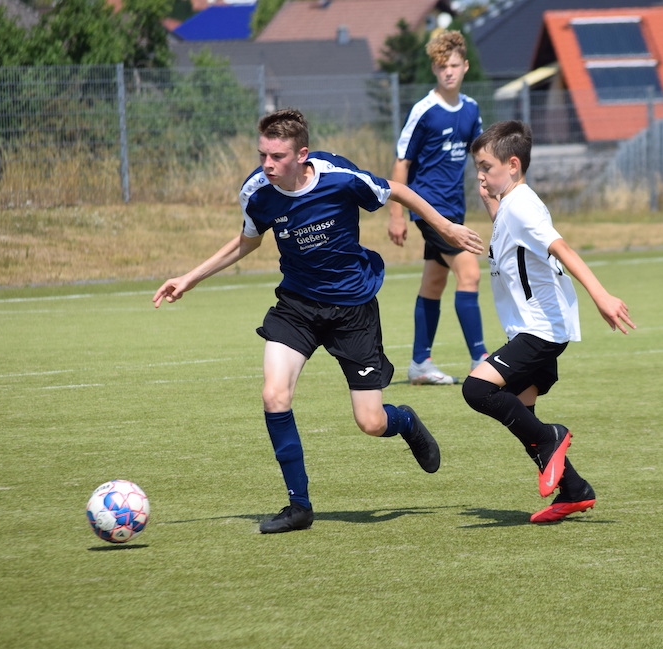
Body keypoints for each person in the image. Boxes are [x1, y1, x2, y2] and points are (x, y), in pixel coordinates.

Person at [153, 109, 484, 534]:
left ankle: (405, 422)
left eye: (277, 156)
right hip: (298, 307)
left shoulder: (339, 177)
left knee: (371, 422)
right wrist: (189, 278)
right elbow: (246, 242)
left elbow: (397, 190)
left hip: (352, 309)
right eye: (262, 155)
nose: (267, 165)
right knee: (274, 395)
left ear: (301, 155)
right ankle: (299, 506)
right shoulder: (257, 193)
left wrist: (445, 227)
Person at [462, 120, 636, 524]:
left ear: (513, 165)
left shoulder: (522, 206)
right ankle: (574, 490)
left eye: (486, 167)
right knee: (523, 413)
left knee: (477, 389)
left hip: (540, 329)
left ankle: (553, 438)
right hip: (536, 328)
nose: (480, 176)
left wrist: (601, 295)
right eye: (477, 169)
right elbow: (511, 240)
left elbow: (562, 248)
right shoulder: (512, 204)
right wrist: (490, 201)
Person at [388, 29, 488, 386]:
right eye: (442, 66)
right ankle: (481, 361)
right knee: (470, 273)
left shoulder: (471, 109)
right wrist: (397, 215)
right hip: (429, 209)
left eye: (454, 65)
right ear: (434, 68)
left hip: (455, 208)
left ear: (465, 67)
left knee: (434, 281)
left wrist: (495, 199)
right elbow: (402, 163)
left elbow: (481, 159)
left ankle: (420, 363)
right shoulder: (424, 111)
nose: (449, 71)